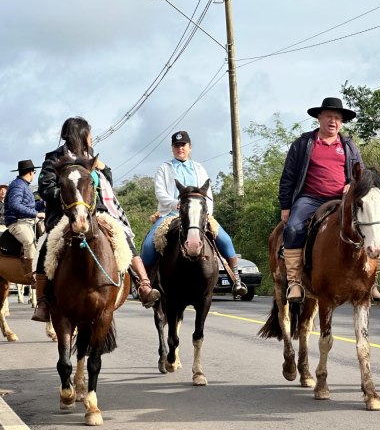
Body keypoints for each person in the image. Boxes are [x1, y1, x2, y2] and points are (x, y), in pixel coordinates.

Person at [32, 117, 160, 322]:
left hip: (96, 210)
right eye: (89, 134)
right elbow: (46, 189)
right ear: (80, 135)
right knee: (49, 244)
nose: (91, 138)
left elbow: (106, 182)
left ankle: (143, 284)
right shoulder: (53, 158)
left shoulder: (92, 157)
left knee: (121, 236)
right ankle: (43, 302)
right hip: (66, 211)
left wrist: (104, 167)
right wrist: (72, 198)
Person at [279, 96, 380, 303]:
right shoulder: (303, 144)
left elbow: (360, 175)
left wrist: (351, 184)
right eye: (329, 116)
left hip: (342, 198)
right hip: (309, 198)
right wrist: (286, 206)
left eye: (337, 118)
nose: (333, 121)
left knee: (371, 224)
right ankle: (294, 282)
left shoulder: (348, 146)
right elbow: (288, 177)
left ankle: (372, 281)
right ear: (319, 117)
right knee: (292, 228)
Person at [141, 130, 248, 297]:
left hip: (198, 215)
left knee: (225, 240)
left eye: (183, 145)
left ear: (189, 147)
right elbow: (160, 192)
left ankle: (237, 280)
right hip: (172, 214)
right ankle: (145, 286)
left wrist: (206, 215)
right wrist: (175, 204)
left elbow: (208, 195)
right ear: (172, 149)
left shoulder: (198, 168)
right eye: (176, 146)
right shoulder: (164, 168)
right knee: (148, 245)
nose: (180, 148)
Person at [4, 160, 46, 284]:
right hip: (17, 222)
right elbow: (14, 205)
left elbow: (29, 206)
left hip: (28, 221)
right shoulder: (18, 185)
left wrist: (43, 204)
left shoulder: (24, 185)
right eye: (34, 172)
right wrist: (36, 214)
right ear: (30, 172)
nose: (34, 174)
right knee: (29, 242)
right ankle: (32, 276)